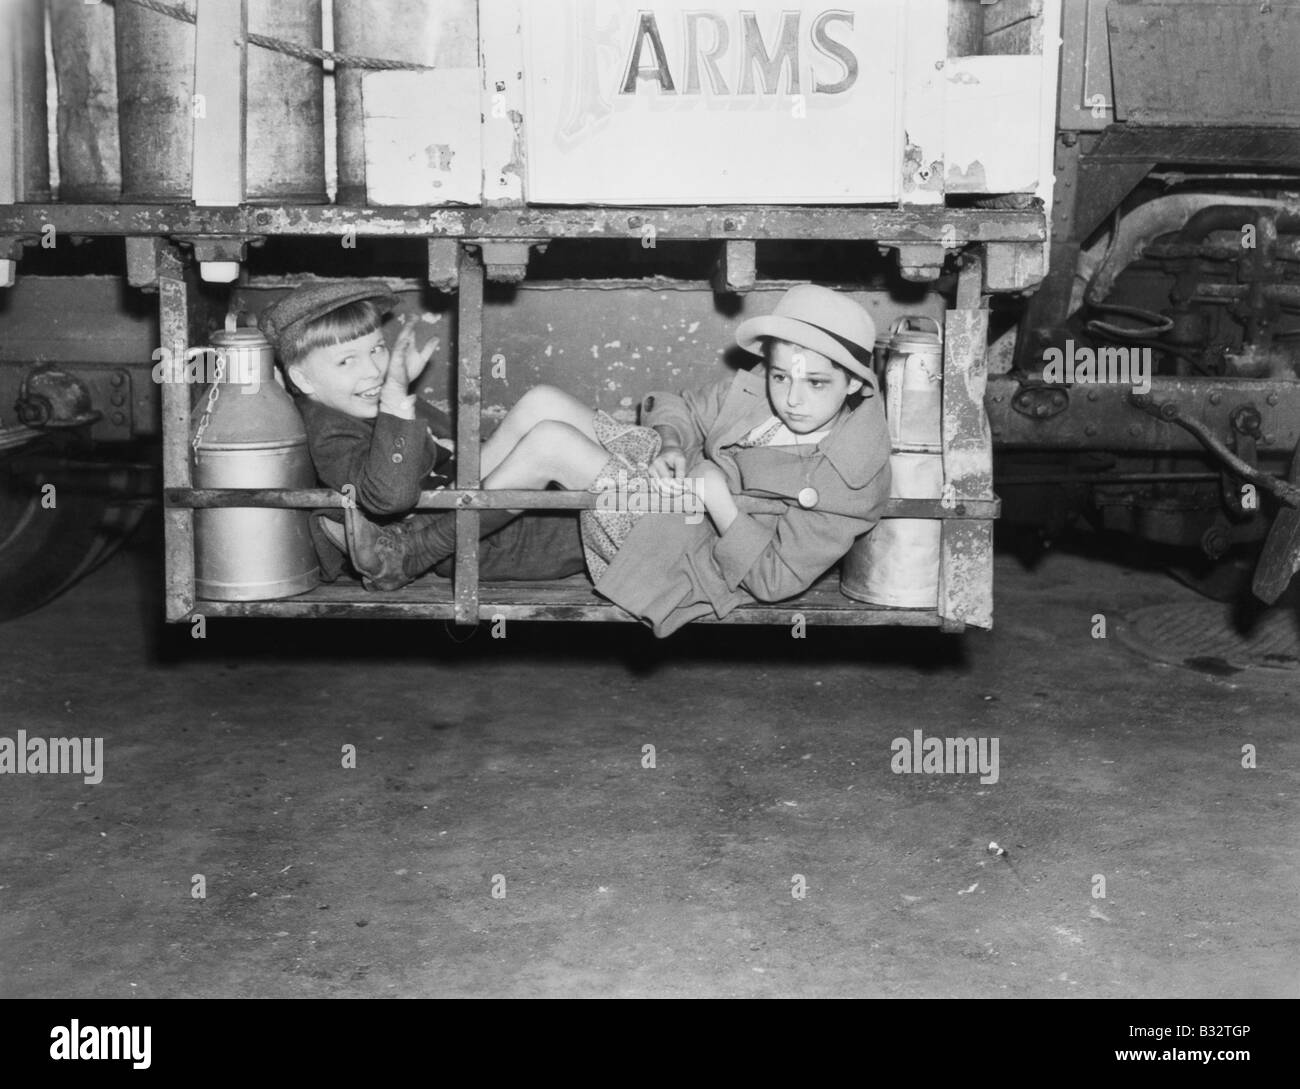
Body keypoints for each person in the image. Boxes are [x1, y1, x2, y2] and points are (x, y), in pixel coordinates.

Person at [477, 284, 892, 636]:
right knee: (541, 403)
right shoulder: (761, 396)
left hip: (678, 553)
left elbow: (776, 578)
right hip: (671, 493)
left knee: (552, 444)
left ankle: (425, 543)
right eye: (781, 376)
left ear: (854, 381)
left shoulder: (851, 472)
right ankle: (440, 520)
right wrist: (671, 442)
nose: (792, 399)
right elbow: (680, 407)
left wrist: (718, 499)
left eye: (816, 383)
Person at [258, 281, 587, 590]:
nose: (373, 370)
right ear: (302, 379)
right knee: (551, 446)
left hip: (468, 501)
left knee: (542, 402)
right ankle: (634, 493)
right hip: (480, 538)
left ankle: (636, 462)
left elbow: (456, 454)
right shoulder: (328, 428)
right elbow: (391, 497)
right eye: (346, 361)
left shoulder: (366, 403)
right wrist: (396, 402)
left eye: (377, 349)